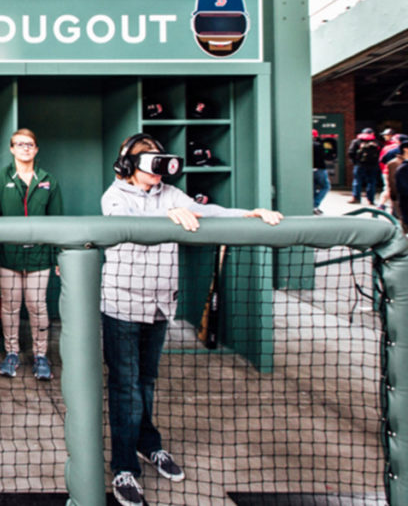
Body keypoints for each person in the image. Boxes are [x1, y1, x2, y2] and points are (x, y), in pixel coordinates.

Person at [101, 133, 282, 506]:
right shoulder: (114, 196)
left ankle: (148, 444)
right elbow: (131, 227)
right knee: (125, 387)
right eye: (148, 161)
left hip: (160, 306)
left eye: (159, 160)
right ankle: (123, 468)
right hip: (122, 306)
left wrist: (250, 213)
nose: (158, 169)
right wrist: (166, 217)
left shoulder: (169, 194)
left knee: (146, 382)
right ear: (128, 165)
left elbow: (207, 211)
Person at [0, 128, 63, 380]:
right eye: (20, 144)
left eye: (29, 144)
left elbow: (58, 221)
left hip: (40, 258)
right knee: (10, 306)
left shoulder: (48, 180)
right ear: (12, 148)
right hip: (8, 257)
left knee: (38, 307)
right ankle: (12, 353)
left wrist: (58, 256)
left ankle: (41, 356)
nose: (25, 148)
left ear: (36, 149)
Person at [347, 128, 381, 205]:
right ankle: (370, 199)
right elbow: (380, 152)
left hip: (360, 165)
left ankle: (356, 198)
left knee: (357, 181)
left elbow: (351, 152)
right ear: (372, 133)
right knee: (371, 182)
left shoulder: (356, 141)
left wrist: (355, 161)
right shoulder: (376, 142)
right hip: (373, 165)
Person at [312, 129, 330, 215]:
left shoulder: (304, 145)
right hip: (320, 169)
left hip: (309, 170)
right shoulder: (319, 145)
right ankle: (315, 205)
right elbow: (326, 155)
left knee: (313, 189)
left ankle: (313, 206)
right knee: (326, 186)